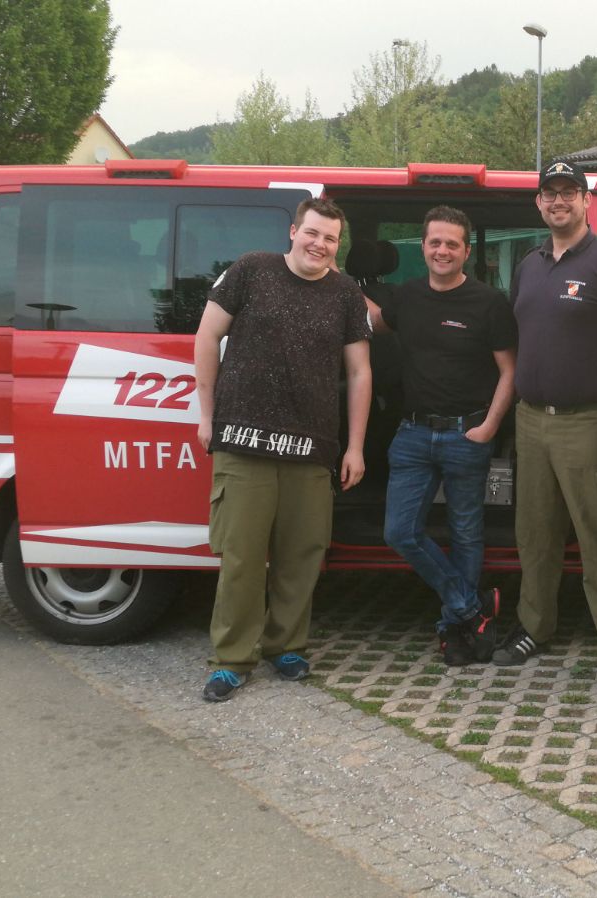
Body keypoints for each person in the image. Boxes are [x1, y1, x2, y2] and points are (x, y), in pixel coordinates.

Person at [194, 197, 372, 702]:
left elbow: (360, 372)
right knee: (242, 559)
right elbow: (207, 337)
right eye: (312, 233)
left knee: (301, 556)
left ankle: (286, 646)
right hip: (243, 442)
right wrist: (206, 415)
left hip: (312, 448)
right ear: (294, 232)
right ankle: (232, 659)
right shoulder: (252, 269)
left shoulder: (346, 293)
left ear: (338, 246)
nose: (319, 244)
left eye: (330, 238)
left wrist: (355, 447)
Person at [493, 161, 597, 684]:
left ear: (585, 200)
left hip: (590, 422)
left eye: (569, 192)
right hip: (531, 421)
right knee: (535, 533)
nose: (559, 201)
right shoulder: (529, 265)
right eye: (550, 193)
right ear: (538, 203)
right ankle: (535, 626)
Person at [368, 206, 516, 666]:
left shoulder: (488, 302)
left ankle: (454, 631)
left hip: (465, 434)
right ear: (424, 246)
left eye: (452, 243)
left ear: (466, 251)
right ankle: (472, 609)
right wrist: (332, 277)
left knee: (466, 533)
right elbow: (371, 321)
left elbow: (510, 371)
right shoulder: (408, 296)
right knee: (399, 531)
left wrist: (488, 427)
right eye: (435, 242)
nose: (442, 250)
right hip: (412, 434)